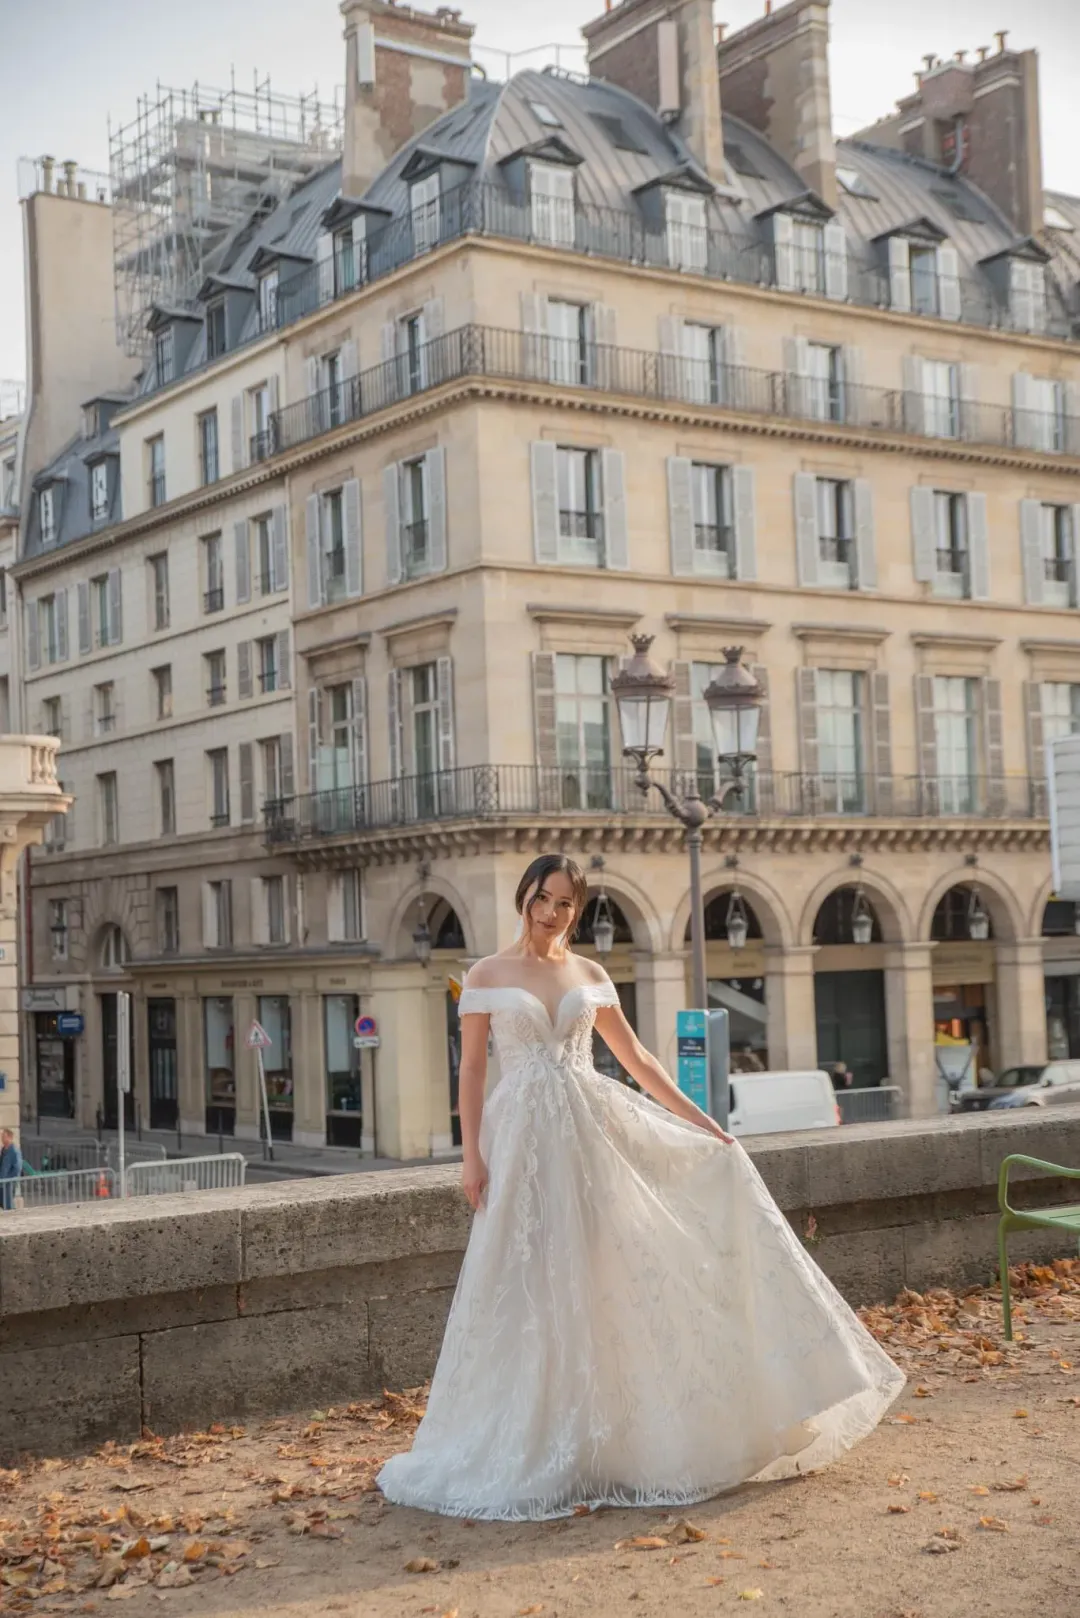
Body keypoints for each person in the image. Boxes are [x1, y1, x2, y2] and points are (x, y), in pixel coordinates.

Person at [378, 854, 904, 1522]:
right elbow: (474, 1071)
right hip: (522, 1146)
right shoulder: (486, 974)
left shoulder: (590, 974)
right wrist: (471, 1158)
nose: (551, 912)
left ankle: (615, 1442)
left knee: (606, 1277)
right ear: (524, 897)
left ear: (578, 909)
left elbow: (637, 1060)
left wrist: (706, 1122)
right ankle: (537, 1439)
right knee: (528, 1284)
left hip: (590, 1136)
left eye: (566, 903)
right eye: (543, 898)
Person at [0, 1128, 22, 1211]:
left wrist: (8, 1178)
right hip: (2, 1181)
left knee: (8, 1204)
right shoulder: (3, 1150)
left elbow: (17, 1168)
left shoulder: (14, 1150)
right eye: (1, 1136)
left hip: (9, 1182)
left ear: (10, 1137)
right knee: (3, 1202)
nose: (2, 1138)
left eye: (4, 1136)